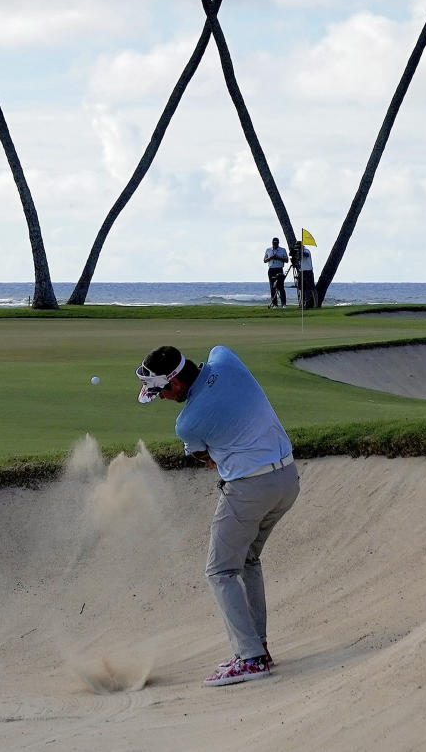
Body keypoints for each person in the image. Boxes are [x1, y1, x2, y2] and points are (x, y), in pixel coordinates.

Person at [137, 344, 300, 687]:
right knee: (248, 559)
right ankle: (259, 648)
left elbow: (204, 457)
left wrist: (220, 456)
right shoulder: (224, 358)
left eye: (161, 391)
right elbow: (218, 356)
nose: (161, 398)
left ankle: (250, 657)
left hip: (250, 490)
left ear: (176, 384)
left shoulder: (188, 423)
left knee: (220, 570)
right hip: (287, 479)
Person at [263, 236, 289, 308]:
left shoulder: (282, 250)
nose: (275, 245)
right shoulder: (268, 250)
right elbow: (265, 260)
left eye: (276, 243)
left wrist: (278, 257)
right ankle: (275, 304)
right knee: (272, 287)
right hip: (271, 269)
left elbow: (286, 260)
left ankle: (283, 304)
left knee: (281, 287)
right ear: (272, 243)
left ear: (278, 243)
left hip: (279, 269)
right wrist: (271, 258)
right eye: (274, 243)